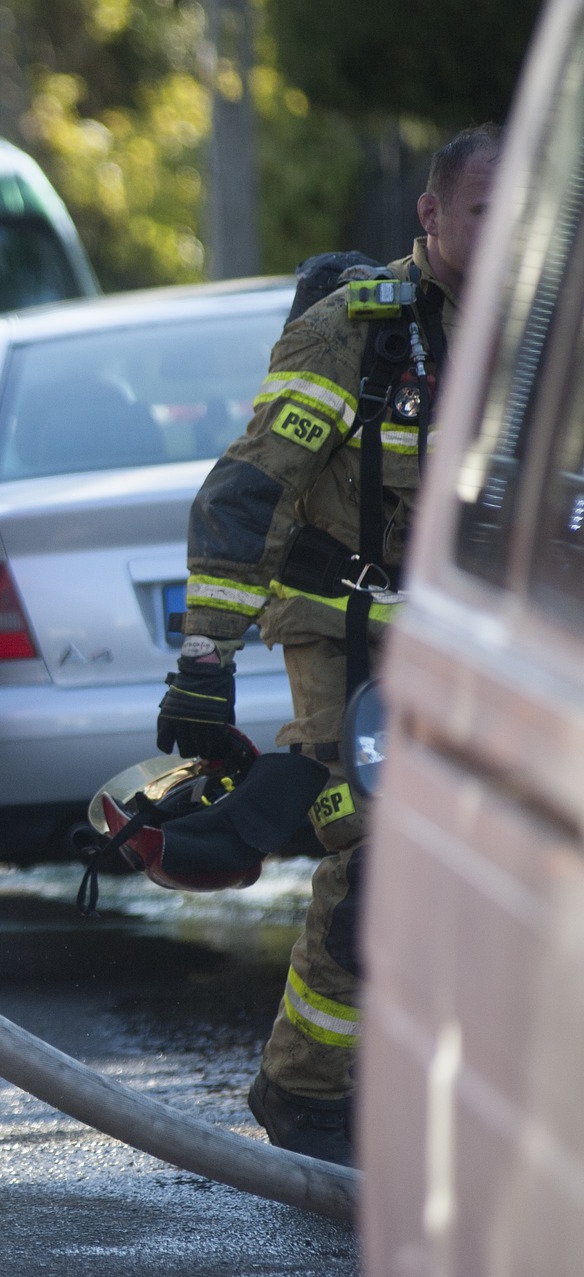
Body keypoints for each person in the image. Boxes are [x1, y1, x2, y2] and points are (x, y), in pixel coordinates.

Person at [160, 123, 502, 1166]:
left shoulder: (543, 336)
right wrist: (205, 661)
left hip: (485, 646)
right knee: (375, 857)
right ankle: (304, 1093)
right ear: (430, 215)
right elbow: (247, 495)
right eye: (484, 212)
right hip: (348, 632)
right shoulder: (352, 334)